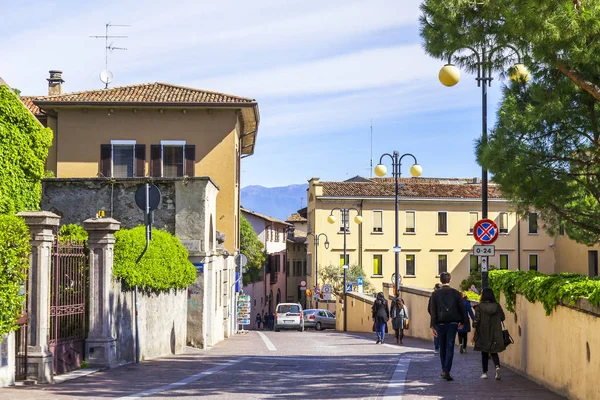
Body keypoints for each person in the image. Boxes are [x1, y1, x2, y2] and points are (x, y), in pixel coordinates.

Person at [430, 272, 467, 381]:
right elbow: (461, 308)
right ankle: (446, 370)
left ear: (441, 280)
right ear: (450, 280)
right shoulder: (456, 293)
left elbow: (433, 310)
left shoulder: (435, 294)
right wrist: (463, 321)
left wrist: (433, 325)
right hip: (453, 322)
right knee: (450, 345)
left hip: (440, 323)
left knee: (442, 346)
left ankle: (444, 369)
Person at [472, 287, 507, 380]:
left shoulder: (479, 307)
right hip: (496, 331)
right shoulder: (497, 306)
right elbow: (503, 317)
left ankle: (484, 372)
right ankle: (497, 366)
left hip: (483, 331)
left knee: (484, 351)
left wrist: (473, 334)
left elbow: (476, 321)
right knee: (494, 351)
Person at [428, 283, 442, 353]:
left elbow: (429, 309)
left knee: (436, 333)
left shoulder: (433, 296)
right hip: (443, 317)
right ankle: (442, 347)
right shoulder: (444, 295)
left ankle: (437, 348)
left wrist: (433, 315)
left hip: (435, 318)